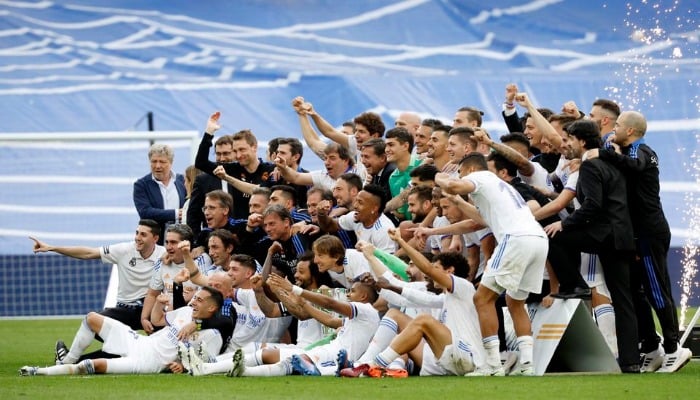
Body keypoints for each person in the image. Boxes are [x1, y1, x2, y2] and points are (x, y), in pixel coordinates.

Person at [594, 111, 692, 372]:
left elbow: (634, 166)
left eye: (618, 126)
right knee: (636, 291)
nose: (613, 130)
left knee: (655, 290)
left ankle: (674, 348)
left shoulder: (642, 150)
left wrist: (606, 153)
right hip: (637, 233)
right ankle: (652, 346)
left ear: (631, 131)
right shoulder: (625, 150)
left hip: (650, 232)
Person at [435, 152, 549, 376]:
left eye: (461, 173)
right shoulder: (497, 186)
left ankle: (492, 365)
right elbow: (480, 220)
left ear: (469, 170)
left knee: (482, 298)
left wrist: (440, 177)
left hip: (514, 239)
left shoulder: (482, 176)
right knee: (516, 301)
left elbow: (455, 186)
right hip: (537, 239)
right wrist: (457, 202)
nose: (460, 177)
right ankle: (527, 365)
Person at [543, 119, 639, 373]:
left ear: (582, 141)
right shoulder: (609, 164)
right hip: (622, 237)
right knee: (623, 299)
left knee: (553, 237)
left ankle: (575, 285)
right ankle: (630, 362)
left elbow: (593, 205)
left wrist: (565, 224)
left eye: (569, 140)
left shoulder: (590, 166)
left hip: (603, 236)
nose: (566, 144)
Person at [341, 228, 484, 377]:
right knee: (397, 318)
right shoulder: (441, 295)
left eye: (436, 269)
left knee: (422, 321)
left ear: (449, 271)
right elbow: (417, 296)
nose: (429, 274)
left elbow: (423, 276)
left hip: (467, 355)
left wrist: (401, 241)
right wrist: (380, 274)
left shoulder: (463, 287)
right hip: (443, 359)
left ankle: (375, 364)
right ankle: (370, 365)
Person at [20, 286, 225, 376]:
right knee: (92, 318)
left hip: (148, 362)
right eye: (195, 297)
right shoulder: (186, 312)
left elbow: (205, 363)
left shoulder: (213, 334)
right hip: (140, 341)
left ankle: (40, 372)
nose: (194, 301)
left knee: (93, 365)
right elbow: (158, 321)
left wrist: (183, 365)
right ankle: (65, 362)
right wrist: (158, 306)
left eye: (199, 299)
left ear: (212, 308)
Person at [29, 220, 165, 333]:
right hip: (125, 309)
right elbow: (88, 253)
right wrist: (52, 248)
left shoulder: (164, 254)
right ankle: (71, 360)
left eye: (143, 234)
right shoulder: (123, 250)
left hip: (151, 310)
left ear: (155, 238)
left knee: (169, 340)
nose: (137, 238)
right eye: (136, 233)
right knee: (93, 326)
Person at [225, 279, 380, 377]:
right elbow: (331, 320)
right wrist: (303, 302)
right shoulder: (358, 318)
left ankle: (243, 371)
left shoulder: (364, 310)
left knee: (290, 361)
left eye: (352, 291)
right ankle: (210, 367)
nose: (348, 295)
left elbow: (329, 304)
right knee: (269, 354)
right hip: (327, 350)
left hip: (335, 356)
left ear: (363, 297)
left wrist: (293, 289)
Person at [195, 112, 276, 219]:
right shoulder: (233, 169)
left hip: (267, 228)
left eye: (242, 150)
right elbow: (201, 163)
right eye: (235, 151)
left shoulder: (271, 170)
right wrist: (209, 132)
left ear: (254, 147)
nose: (238, 155)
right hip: (241, 230)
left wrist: (227, 178)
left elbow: (260, 190)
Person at [140, 224, 212, 333]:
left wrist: (191, 295)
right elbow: (152, 294)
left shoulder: (201, 260)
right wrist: (144, 318)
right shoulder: (162, 262)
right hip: (165, 317)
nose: (168, 247)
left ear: (185, 244)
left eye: (173, 242)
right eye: (167, 242)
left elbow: (208, 290)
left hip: (191, 316)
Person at [318, 184, 397, 254]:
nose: (355, 206)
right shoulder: (356, 216)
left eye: (360, 202)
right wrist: (321, 214)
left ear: (374, 208)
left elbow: (387, 264)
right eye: (356, 201)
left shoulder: (384, 230)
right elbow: (329, 226)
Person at [133, 144, 186, 245]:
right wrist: (176, 214)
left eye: (162, 162)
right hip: (155, 243)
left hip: (181, 241)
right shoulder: (141, 185)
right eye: (154, 161)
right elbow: (145, 212)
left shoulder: (182, 180)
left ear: (171, 163)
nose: (157, 166)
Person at [187, 134, 235, 237]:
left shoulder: (242, 178)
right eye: (218, 154)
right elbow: (193, 215)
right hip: (211, 239)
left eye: (226, 153)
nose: (222, 158)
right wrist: (197, 242)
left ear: (235, 153)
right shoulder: (202, 180)